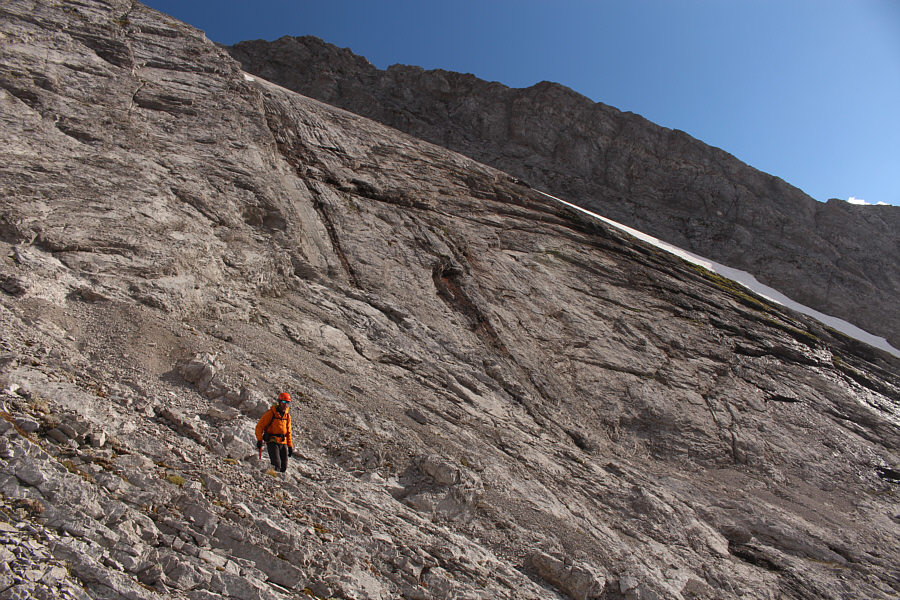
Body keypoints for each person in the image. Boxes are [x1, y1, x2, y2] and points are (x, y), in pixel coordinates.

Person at [255, 392, 294, 472]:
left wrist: (290, 446)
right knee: (277, 464)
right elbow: (259, 426)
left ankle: (278, 481)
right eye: (283, 402)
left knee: (284, 467)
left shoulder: (287, 416)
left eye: (287, 403)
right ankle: (272, 478)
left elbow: (288, 432)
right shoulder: (271, 413)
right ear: (279, 402)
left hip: (283, 442)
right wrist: (259, 439)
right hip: (272, 441)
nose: (285, 404)